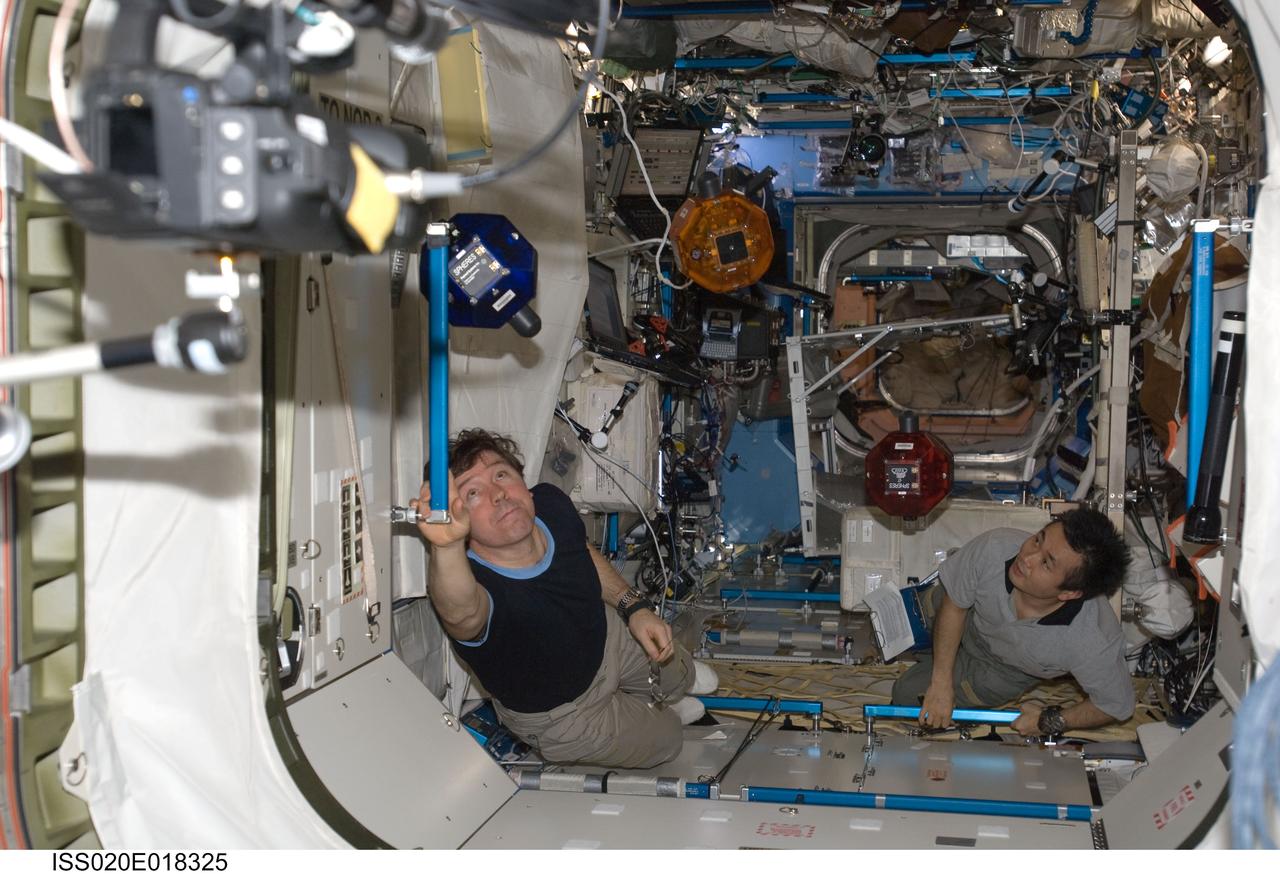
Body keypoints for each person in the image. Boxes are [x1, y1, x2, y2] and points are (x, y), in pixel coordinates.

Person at [410, 428, 717, 769]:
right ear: (460, 519)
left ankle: (677, 686)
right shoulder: (477, 586)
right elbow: (462, 615)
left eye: (501, 474)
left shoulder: (550, 505)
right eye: (473, 493)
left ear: (523, 486)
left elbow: (579, 550)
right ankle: (661, 711)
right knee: (670, 739)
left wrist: (633, 607)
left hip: (606, 637)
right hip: (565, 717)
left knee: (680, 670)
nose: (497, 493)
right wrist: (447, 546)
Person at [890, 509, 1134, 737]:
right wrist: (940, 683)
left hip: (1002, 669)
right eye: (1038, 539)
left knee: (905, 697)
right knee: (906, 616)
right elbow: (955, 605)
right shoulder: (996, 548)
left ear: (1070, 594)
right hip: (969, 617)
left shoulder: (1093, 639)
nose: (1027, 557)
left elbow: (1116, 706)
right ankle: (929, 658)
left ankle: (935, 666)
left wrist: (1050, 720)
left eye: (1046, 563)